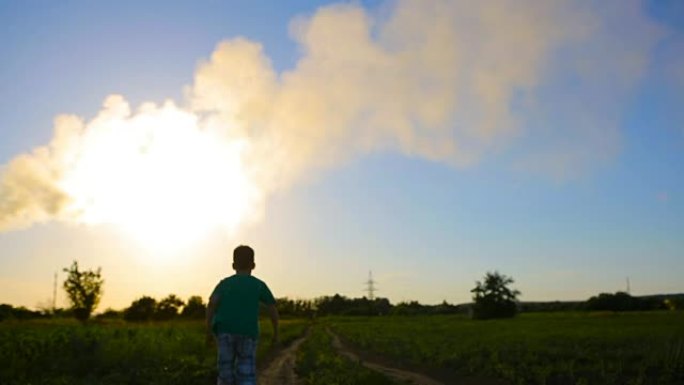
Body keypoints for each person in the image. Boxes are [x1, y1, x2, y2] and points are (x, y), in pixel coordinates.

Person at [206, 245, 279, 385]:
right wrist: (276, 332)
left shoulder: (224, 284)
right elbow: (272, 308)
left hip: (224, 331)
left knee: (225, 371)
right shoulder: (259, 285)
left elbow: (211, 305)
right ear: (253, 265)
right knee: (246, 372)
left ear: (233, 265)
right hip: (248, 332)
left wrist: (208, 331)